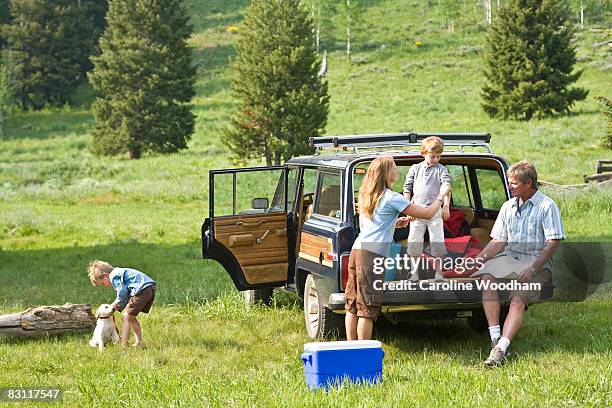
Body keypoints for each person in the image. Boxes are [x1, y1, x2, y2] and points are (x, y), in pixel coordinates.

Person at [345, 156, 451, 340]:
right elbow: (426, 213)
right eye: (394, 169)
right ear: (386, 173)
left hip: (357, 250)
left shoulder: (366, 194)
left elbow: (372, 224)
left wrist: (395, 223)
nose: (397, 172)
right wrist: (441, 196)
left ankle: (351, 347)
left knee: (352, 305)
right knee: (367, 309)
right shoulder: (392, 197)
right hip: (371, 255)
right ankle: (363, 353)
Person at [473, 161, 564, 367]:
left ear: (529, 183)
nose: (510, 186)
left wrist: (532, 269)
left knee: (517, 301)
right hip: (510, 261)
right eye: (509, 182)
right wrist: (479, 260)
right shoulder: (508, 206)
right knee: (487, 278)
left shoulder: (547, 206)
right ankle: (495, 337)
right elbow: (499, 241)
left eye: (514, 183)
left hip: (538, 267)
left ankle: (500, 349)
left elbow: (553, 242)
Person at [403, 136, 451, 281]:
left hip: (435, 213)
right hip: (416, 212)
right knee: (414, 243)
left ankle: (439, 273)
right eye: (432, 156)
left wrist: (446, 206)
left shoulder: (442, 169)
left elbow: (446, 187)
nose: (436, 159)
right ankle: (414, 273)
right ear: (423, 153)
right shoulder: (415, 168)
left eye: (438, 156)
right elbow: (407, 188)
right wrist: (407, 208)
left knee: (437, 242)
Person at [88, 260, 156, 347]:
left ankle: (124, 345)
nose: (105, 285)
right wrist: (119, 306)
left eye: (103, 283)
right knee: (131, 317)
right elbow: (127, 294)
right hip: (149, 287)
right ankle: (139, 342)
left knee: (126, 316)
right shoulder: (119, 272)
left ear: (105, 275)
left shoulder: (114, 276)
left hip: (141, 289)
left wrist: (116, 303)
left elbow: (122, 292)